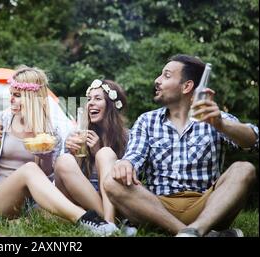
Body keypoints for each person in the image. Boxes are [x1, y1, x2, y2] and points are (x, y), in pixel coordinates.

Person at [103, 54, 258, 237]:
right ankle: (190, 233)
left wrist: (222, 125)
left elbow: (254, 140)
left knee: (244, 169)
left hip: (208, 207)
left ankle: (197, 229)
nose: (157, 81)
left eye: (166, 76)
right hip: (158, 209)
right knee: (112, 181)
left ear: (187, 86)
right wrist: (126, 163)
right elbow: (133, 156)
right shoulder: (147, 120)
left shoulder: (212, 117)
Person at [0, 66, 117, 236]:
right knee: (29, 170)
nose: (11, 100)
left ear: (32, 98)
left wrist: (45, 156)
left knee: (62, 196)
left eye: (17, 96)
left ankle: (107, 224)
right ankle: (86, 219)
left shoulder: (49, 131)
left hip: (30, 204)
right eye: (11, 94)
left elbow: (46, 174)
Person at [54, 79, 136, 236]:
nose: (90, 103)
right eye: (89, 99)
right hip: (80, 201)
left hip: (114, 201)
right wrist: (74, 153)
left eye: (97, 98)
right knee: (64, 160)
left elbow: (126, 180)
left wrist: (98, 151)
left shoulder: (128, 137)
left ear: (112, 105)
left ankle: (108, 224)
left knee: (105, 154)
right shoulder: (77, 135)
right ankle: (110, 225)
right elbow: (73, 180)